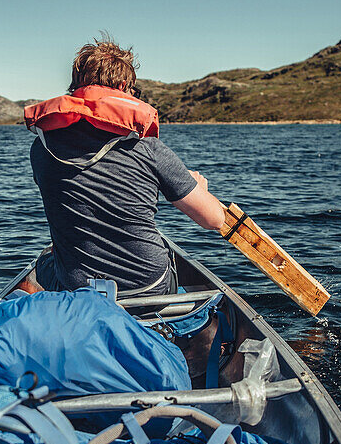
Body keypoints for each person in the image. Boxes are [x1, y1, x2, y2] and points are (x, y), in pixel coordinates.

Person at [22, 37, 225, 296]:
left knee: (45, 262)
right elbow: (214, 219)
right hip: (148, 288)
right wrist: (199, 188)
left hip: (79, 289)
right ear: (122, 87)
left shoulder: (41, 149)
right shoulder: (147, 149)